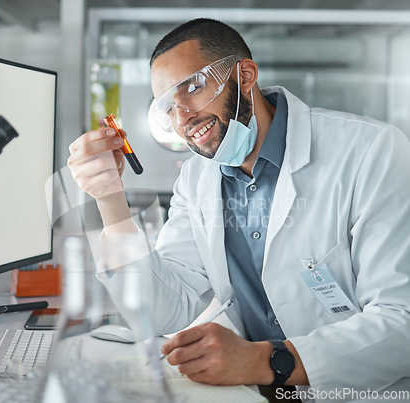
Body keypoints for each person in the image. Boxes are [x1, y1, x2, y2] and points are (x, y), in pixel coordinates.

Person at [68, 18, 410, 401]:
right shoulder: (197, 179)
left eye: (192, 88)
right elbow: (163, 308)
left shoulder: (372, 152)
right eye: (166, 107)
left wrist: (263, 361)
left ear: (244, 75)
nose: (181, 119)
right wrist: (110, 198)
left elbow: (402, 320)